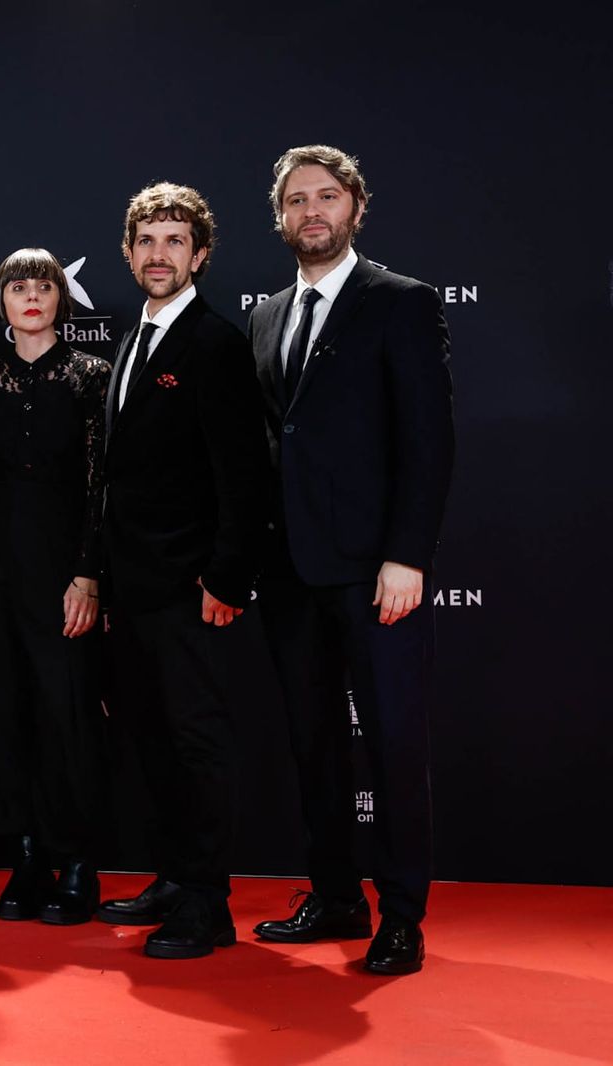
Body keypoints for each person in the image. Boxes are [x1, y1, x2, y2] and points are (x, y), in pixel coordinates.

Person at [247, 145, 454, 976]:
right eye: (296, 201)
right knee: (312, 742)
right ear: (281, 217)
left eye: (326, 197)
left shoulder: (399, 302)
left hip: (376, 574)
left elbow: (429, 442)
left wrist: (409, 555)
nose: (312, 212)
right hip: (291, 572)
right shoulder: (265, 316)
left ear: (356, 207)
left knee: (394, 745)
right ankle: (335, 895)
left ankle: (402, 915)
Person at [96, 183, 269, 958]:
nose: (159, 255)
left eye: (175, 242)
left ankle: (208, 902)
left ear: (199, 254)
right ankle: (173, 876)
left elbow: (243, 476)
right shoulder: (134, 341)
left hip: (191, 586)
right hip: (133, 588)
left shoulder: (216, 343)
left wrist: (226, 578)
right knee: (154, 739)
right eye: (147, 241)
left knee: (197, 741)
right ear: (130, 253)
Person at [0, 248, 111, 924]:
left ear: (60, 298)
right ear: (0, 299)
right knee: (4, 716)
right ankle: (25, 861)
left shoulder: (90, 377)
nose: (31, 296)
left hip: (63, 578)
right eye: (17, 285)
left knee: (65, 719)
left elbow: (101, 485)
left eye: (43, 285)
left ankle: (77, 862)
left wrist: (88, 575)